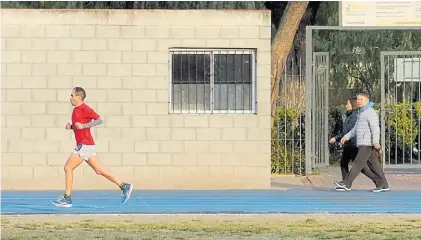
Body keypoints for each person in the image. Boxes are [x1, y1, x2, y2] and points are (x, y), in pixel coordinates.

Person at [52, 87, 133, 207]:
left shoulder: (85, 108)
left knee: (67, 168)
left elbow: (99, 120)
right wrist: (71, 127)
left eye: (72, 95)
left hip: (85, 144)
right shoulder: (75, 110)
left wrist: (85, 125)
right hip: (86, 146)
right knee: (99, 170)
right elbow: (78, 127)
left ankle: (67, 198)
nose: (70, 98)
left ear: (79, 97)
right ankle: (124, 186)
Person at [335, 91, 390, 192]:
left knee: (357, 163)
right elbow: (355, 129)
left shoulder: (370, 112)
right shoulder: (361, 112)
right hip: (363, 143)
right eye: (358, 99)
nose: (359, 101)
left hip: (368, 143)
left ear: (367, 100)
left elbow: (375, 128)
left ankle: (347, 184)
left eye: (361, 100)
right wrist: (347, 136)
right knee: (375, 166)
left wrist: (376, 142)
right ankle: (384, 185)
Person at [329, 97, 378, 191]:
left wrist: (336, 138)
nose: (346, 105)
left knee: (361, 167)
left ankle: (378, 180)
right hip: (348, 144)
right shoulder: (348, 115)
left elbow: (349, 131)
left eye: (348, 104)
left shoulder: (355, 116)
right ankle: (346, 183)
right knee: (344, 163)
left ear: (353, 105)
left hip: (353, 144)